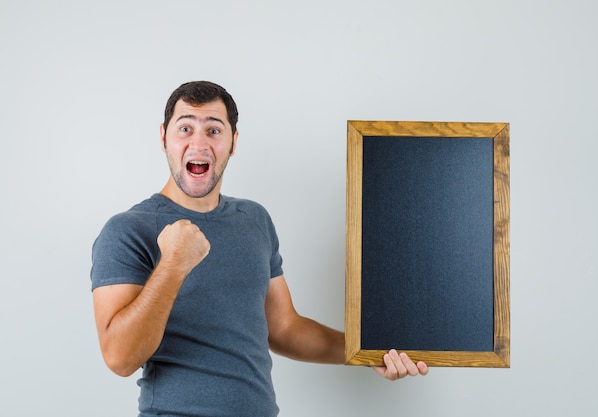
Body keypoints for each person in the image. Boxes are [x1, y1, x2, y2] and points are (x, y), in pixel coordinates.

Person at [91, 80, 428, 417]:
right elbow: (120, 358)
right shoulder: (128, 229)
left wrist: (365, 352)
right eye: (185, 128)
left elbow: (283, 328)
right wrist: (173, 265)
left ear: (233, 142)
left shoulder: (253, 219)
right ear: (164, 137)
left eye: (213, 130)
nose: (198, 142)